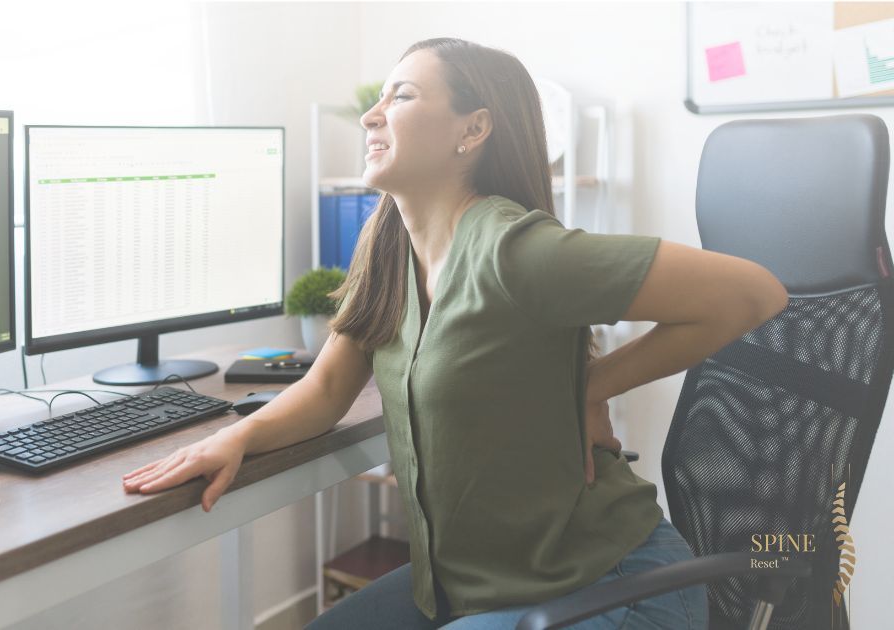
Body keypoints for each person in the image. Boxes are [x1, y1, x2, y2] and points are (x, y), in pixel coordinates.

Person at [123, 37, 787, 629]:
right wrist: (234, 436)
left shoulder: (517, 251)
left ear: (473, 130)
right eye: (377, 96)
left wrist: (586, 385)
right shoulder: (386, 249)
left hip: (613, 588)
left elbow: (753, 294)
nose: (371, 114)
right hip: (470, 589)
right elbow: (327, 387)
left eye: (402, 95)